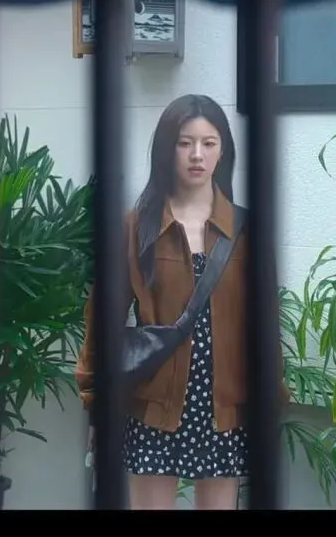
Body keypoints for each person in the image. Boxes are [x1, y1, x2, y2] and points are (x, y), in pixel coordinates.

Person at [75, 93, 288, 510]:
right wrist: (96, 404)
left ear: (223, 150)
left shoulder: (246, 229)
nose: (197, 155)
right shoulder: (136, 227)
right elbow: (102, 320)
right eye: (184, 142)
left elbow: (265, 325)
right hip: (153, 404)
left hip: (225, 406)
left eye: (209, 143)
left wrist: (269, 401)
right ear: (166, 149)